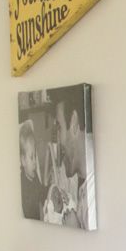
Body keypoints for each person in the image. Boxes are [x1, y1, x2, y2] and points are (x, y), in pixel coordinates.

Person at [51, 85, 96, 230]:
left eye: (59, 128)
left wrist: (75, 229)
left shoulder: (96, 190)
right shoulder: (84, 185)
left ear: (74, 123)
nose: (57, 140)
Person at [19, 120, 45, 220]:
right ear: (23, 160)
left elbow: (42, 193)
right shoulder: (22, 184)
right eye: (31, 157)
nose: (35, 161)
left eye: (35, 155)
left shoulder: (34, 176)